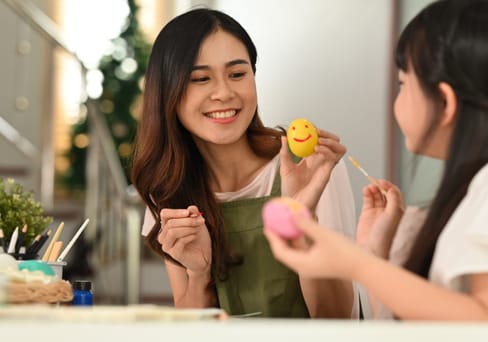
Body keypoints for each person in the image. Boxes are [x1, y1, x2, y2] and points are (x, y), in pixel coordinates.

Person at [264, 0, 488, 342]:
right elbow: (429, 330)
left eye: (403, 84)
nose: (397, 100)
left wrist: (357, 265)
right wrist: (377, 252)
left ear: (444, 103)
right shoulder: (487, 186)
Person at [131, 8, 358, 318]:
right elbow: (192, 332)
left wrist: (303, 226)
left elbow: (338, 321)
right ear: (167, 91)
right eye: (200, 79)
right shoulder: (168, 188)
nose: (224, 93)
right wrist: (199, 274)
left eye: (238, 74)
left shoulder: (311, 167)